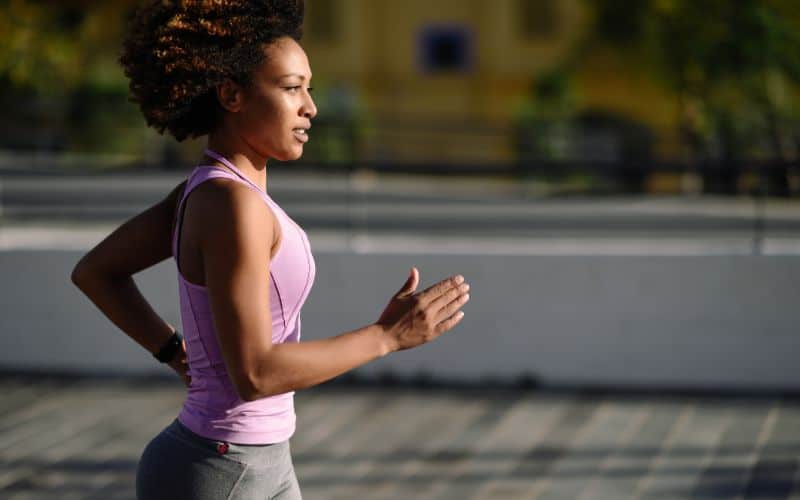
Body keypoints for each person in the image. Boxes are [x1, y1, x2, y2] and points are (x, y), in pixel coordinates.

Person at [70, 1, 470, 499]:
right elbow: (256, 374)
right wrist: (386, 336)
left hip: (259, 459)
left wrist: (177, 353)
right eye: (291, 88)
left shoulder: (217, 192)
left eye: (310, 88)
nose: (311, 107)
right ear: (231, 95)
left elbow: (96, 271)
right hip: (223, 468)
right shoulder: (229, 202)